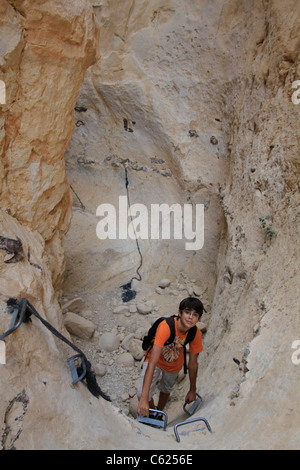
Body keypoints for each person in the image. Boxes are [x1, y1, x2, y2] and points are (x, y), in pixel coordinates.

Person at [137, 297, 204, 418]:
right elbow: (152, 362)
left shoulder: (195, 333)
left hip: (174, 364)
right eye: (187, 312)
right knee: (141, 394)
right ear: (180, 313)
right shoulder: (166, 326)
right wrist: (143, 399)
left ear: (199, 319)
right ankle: (152, 412)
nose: (190, 317)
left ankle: (159, 414)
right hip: (156, 360)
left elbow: (193, 364)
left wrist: (193, 389)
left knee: (166, 389)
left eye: (195, 315)